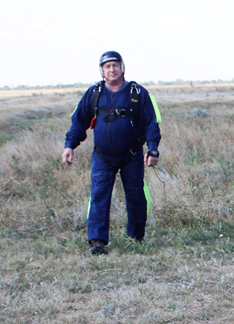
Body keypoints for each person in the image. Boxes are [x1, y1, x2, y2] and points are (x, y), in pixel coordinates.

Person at [62, 51, 161, 255]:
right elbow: (79, 121)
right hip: (102, 156)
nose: (112, 69)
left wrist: (152, 149)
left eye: (115, 65)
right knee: (98, 196)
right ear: (102, 70)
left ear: (122, 68)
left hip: (131, 155)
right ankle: (97, 241)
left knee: (136, 196)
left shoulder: (138, 93)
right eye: (107, 66)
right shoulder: (94, 93)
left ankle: (135, 237)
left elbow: (151, 123)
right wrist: (69, 145)